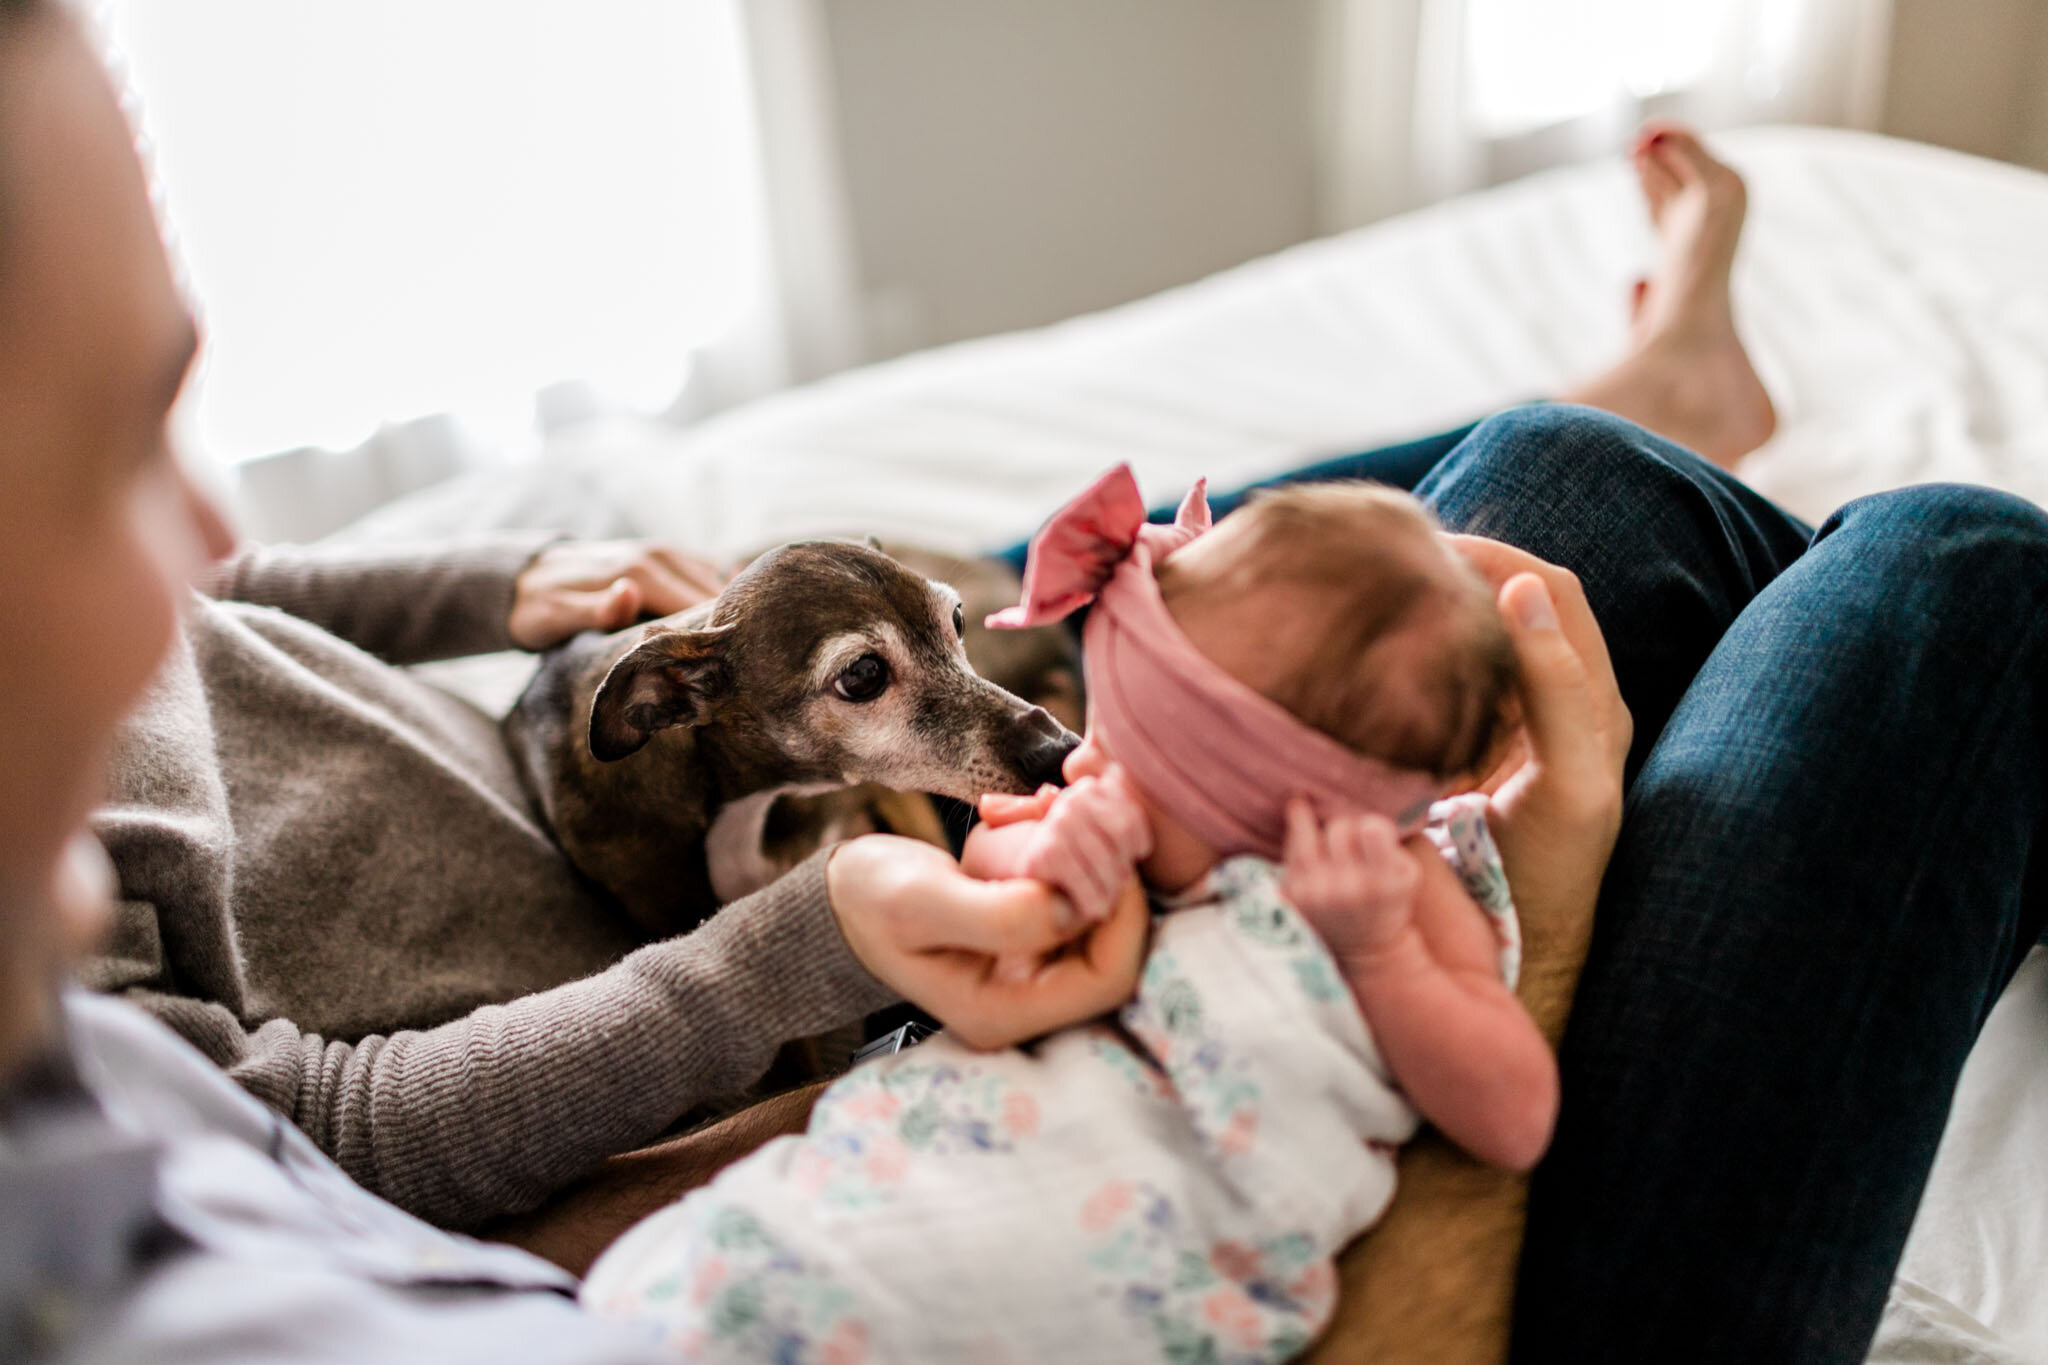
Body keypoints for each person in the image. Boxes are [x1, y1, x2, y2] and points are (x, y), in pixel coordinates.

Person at [1, 6, 2036, 1361]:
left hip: (843, 975)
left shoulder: (72, 1085)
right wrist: (1545, 910)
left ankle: (1665, 431)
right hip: (1040, 1164)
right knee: (1946, 586)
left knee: (1567, 497)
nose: (201, 553)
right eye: (109, 454)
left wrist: (488, 580)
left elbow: (233, 594)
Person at [576, 474, 1557, 1361]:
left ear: (1311, 793)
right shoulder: (1104, 815)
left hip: (1098, 1261)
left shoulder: (1393, 887)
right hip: (848, 1204)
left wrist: (1381, 955)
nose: (1077, 756)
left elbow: (1512, 1117)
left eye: (1134, 731)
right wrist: (1033, 858)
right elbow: (990, 869)